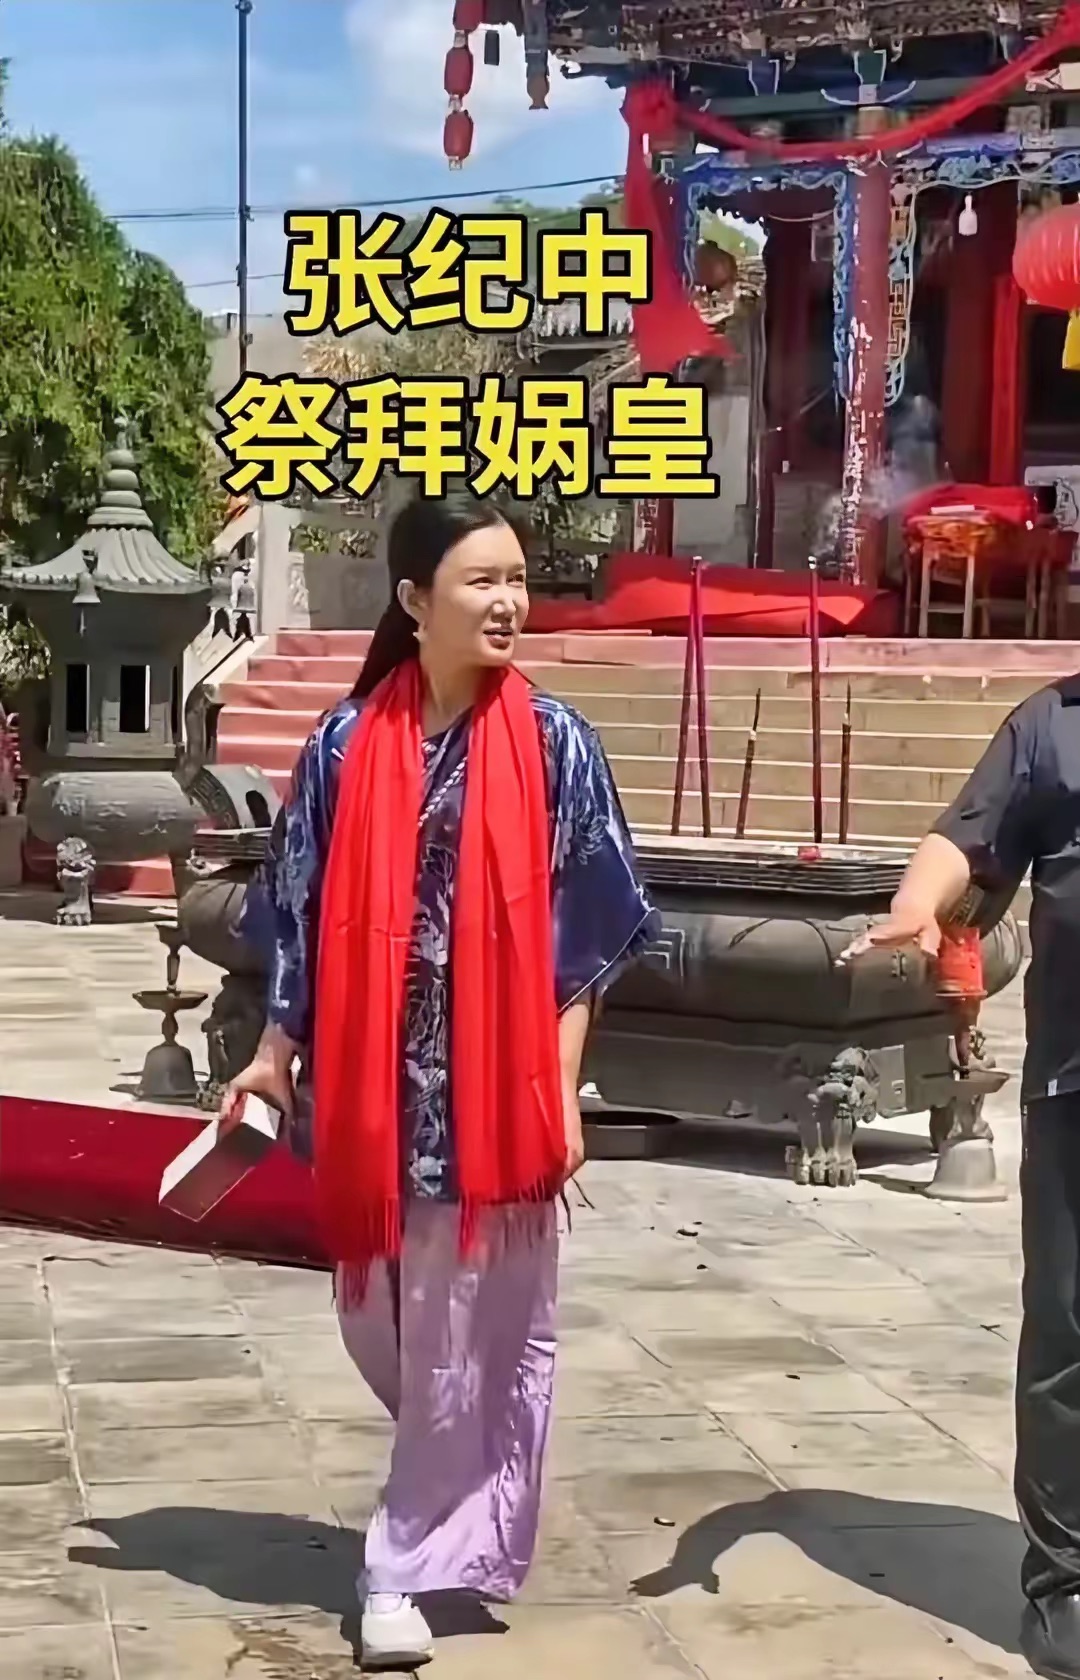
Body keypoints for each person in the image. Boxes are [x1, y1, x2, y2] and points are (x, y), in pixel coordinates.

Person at [226, 489, 658, 1668]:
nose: (510, 601)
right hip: (374, 1097)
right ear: (416, 601)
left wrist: (559, 1089)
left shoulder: (557, 745)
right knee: (387, 1332)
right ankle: (448, 1499)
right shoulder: (344, 745)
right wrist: (273, 1054)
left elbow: (584, 938)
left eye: (518, 579)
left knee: (470, 1337)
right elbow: (298, 919)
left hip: (496, 1102)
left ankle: (398, 1565)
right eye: (483, 581)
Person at [842, 674, 1080, 1680]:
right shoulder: (1052, 725)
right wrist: (915, 901)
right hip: (1077, 1084)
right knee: (1069, 1332)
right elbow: (970, 838)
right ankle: (1065, 1584)